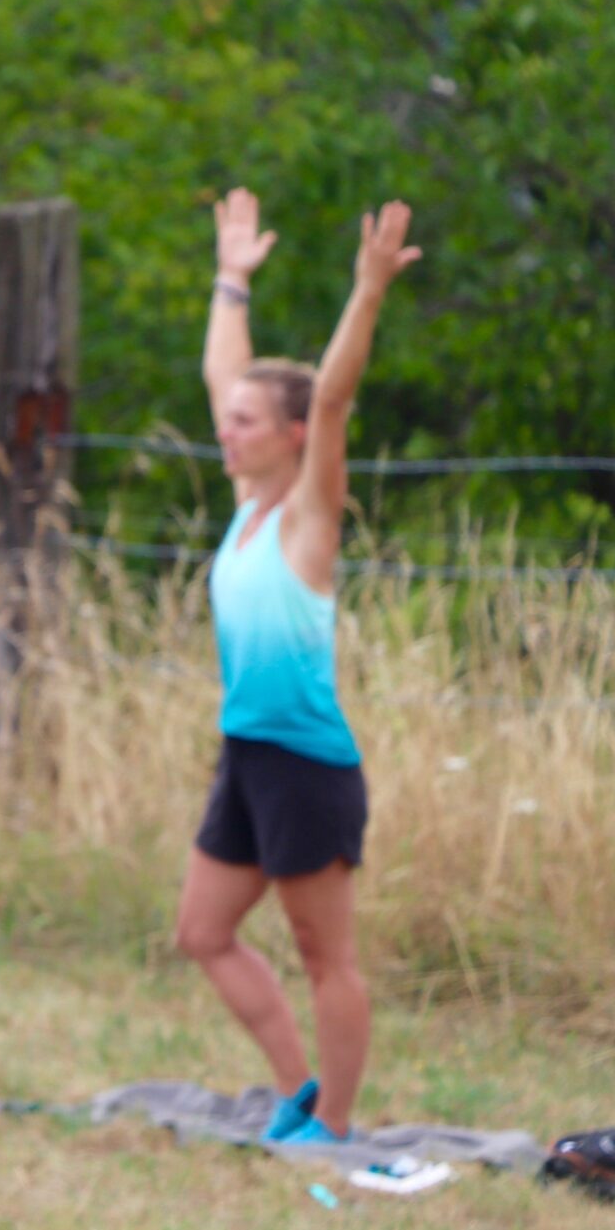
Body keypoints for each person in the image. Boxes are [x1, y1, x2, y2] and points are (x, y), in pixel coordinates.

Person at [175, 188, 422, 1146]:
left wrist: (366, 294)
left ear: (288, 437)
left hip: (307, 766)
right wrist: (231, 279)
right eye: (226, 418)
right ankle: (299, 1093)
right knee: (203, 931)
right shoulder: (244, 504)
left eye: (244, 421)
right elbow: (222, 369)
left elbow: (330, 395)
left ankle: (339, 1126)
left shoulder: (306, 518)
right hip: (246, 755)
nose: (226, 429)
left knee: (328, 955)